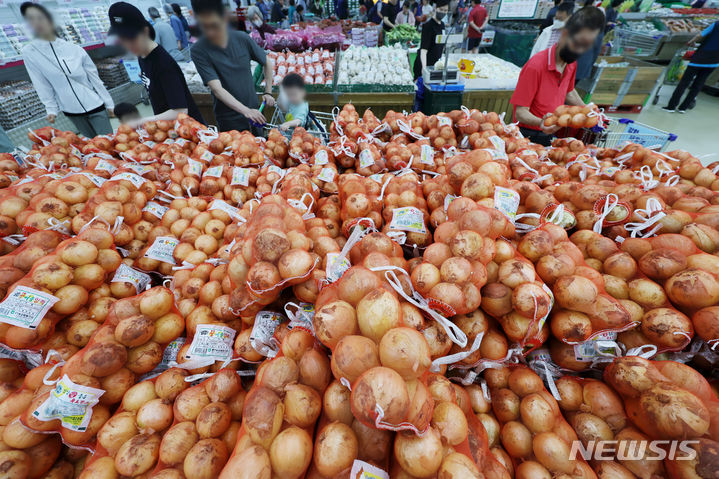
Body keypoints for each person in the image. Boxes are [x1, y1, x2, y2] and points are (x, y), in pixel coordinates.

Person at [510, 7, 605, 145]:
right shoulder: (536, 66)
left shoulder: (571, 62)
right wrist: (542, 122)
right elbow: (520, 112)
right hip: (527, 134)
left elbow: (569, 91)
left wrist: (588, 112)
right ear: (565, 34)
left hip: (550, 132)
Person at [21, 2, 114, 138]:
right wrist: (51, 108)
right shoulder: (30, 52)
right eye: (31, 19)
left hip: (95, 105)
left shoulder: (74, 48)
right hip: (71, 111)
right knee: (89, 148)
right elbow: (40, 82)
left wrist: (109, 103)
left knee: (108, 144)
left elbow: (95, 78)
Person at [108, 2, 204, 126]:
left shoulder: (163, 63)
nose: (127, 45)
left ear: (145, 31)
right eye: (122, 40)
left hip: (190, 131)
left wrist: (140, 121)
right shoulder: (142, 55)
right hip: (169, 129)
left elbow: (180, 111)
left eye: (131, 38)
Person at [190, 0, 275, 132]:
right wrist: (246, 111)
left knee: (259, 148)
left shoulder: (242, 38)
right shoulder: (199, 50)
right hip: (229, 119)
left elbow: (267, 62)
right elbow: (217, 89)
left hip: (256, 112)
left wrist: (268, 92)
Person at [664, 19, 719, 113]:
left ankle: (671, 107)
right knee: (698, 84)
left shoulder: (717, 24)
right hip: (715, 60)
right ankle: (683, 108)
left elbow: (700, 35)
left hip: (701, 57)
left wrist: (691, 42)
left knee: (684, 82)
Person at [414, 0, 449, 80]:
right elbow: (423, 50)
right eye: (441, 10)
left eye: (445, 10)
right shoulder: (428, 26)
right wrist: (424, 68)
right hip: (425, 64)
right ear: (435, 8)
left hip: (435, 65)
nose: (443, 12)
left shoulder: (442, 25)